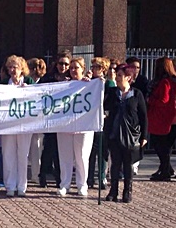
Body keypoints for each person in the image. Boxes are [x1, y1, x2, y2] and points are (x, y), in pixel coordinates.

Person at [105, 64, 148, 203]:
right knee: (115, 163)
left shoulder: (136, 94)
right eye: (116, 75)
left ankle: (127, 191)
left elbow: (143, 116)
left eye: (120, 75)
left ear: (128, 77)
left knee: (128, 164)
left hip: (130, 135)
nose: (117, 78)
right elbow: (105, 107)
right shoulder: (112, 92)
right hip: (115, 133)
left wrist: (144, 136)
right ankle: (113, 190)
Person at [55, 57, 94, 197]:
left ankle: (82, 185)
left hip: (83, 126)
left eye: (76, 68)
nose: (72, 71)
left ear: (83, 69)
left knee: (82, 157)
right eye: (71, 68)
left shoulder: (89, 84)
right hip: (65, 126)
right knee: (65, 157)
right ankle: (64, 184)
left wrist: (93, 83)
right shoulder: (65, 84)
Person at [0, 56, 35, 197]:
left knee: (22, 154)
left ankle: (22, 186)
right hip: (8, 124)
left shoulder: (28, 81)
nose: (12, 70)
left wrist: (29, 91)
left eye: (15, 67)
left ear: (22, 69)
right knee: (8, 154)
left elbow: (37, 96)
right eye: (10, 67)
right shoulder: (3, 83)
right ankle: (10, 186)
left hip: (24, 124)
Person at [38, 50, 71, 188]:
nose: (63, 67)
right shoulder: (49, 77)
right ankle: (43, 175)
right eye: (60, 63)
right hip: (51, 118)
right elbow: (39, 90)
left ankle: (59, 178)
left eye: (66, 64)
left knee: (61, 150)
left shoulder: (73, 79)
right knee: (49, 148)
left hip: (66, 119)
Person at [147, 57, 176, 182]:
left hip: (161, 115)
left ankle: (165, 170)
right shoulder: (173, 80)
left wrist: (151, 100)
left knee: (159, 143)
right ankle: (166, 168)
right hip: (166, 114)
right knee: (163, 144)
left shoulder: (165, 82)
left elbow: (163, 100)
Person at [86, 57, 111, 190]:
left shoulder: (107, 83)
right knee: (91, 150)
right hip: (90, 120)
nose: (93, 69)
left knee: (102, 151)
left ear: (103, 69)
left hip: (103, 121)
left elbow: (111, 101)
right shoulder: (90, 81)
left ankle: (101, 177)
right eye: (93, 67)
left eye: (96, 67)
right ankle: (89, 178)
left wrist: (106, 113)